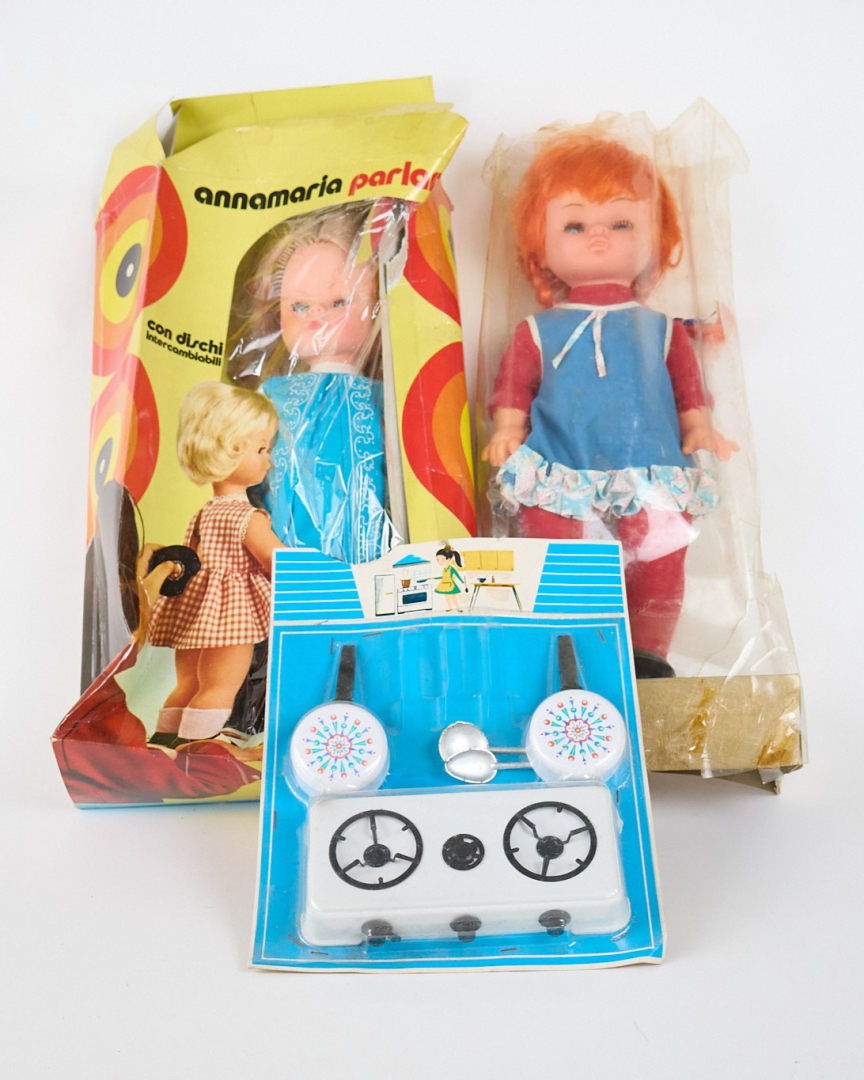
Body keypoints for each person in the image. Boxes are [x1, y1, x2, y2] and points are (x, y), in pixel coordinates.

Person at [483, 133, 738, 676]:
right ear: (540, 243)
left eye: (621, 223)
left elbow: (686, 387)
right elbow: (514, 386)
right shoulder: (537, 329)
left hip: (652, 464)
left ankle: (647, 653)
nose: (598, 235)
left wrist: (698, 426)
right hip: (558, 462)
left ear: (655, 236)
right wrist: (507, 428)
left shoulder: (662, 328)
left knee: (660, 556)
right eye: (574, 226)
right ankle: (568, 647)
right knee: (556, 552)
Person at [229, 204, 397, 565]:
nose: (318, 315)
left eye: (339, 302)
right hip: (286, 541)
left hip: (367, 541)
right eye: (300, 307)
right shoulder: (273, 394)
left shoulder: (384, 396)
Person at [147, 381, 284, 741]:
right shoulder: (247, 517)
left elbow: (189, 560)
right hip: (231, 617)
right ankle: (194, 747)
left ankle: (163, 741)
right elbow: (277, 561)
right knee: (220, 686)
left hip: (193, 612)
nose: (268, 459)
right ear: (230, 450)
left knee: (188, 684)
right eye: (261, 449)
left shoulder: (203, 513)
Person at [434, 544, 464, 612]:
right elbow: (443, 577)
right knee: (447, 597)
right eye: (438, 559)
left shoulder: (451, 568)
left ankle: (458, 608)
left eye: (442, 559)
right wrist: (434, 578)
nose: (439, 561)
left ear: (448, 559)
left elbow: (457, 575)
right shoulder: (444, 569)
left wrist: (462, 581)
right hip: (444, 584)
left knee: (453, 597)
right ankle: (449, 607)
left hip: (450, 585)